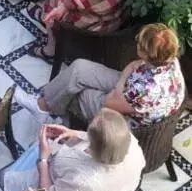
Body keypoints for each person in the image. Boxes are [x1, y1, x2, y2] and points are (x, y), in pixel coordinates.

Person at [15, 23, 186, 127]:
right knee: (80, 69)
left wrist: (123, 79)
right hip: (133, 89)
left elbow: (111, 101)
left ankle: (56, 118)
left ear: (149, 55)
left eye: (139, 44)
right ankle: (43, 106)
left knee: (79, 91)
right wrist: (128, 75)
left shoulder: (145, 89)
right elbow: (135, 71)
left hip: (128, 118)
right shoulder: (170, 61)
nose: (137, 45)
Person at [3, 110, 145, 191]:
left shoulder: (81, 185)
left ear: (93, 146)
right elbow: (107, 143)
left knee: (3, 177)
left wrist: (43, 159)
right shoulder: (131, 144)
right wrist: (73, 134)